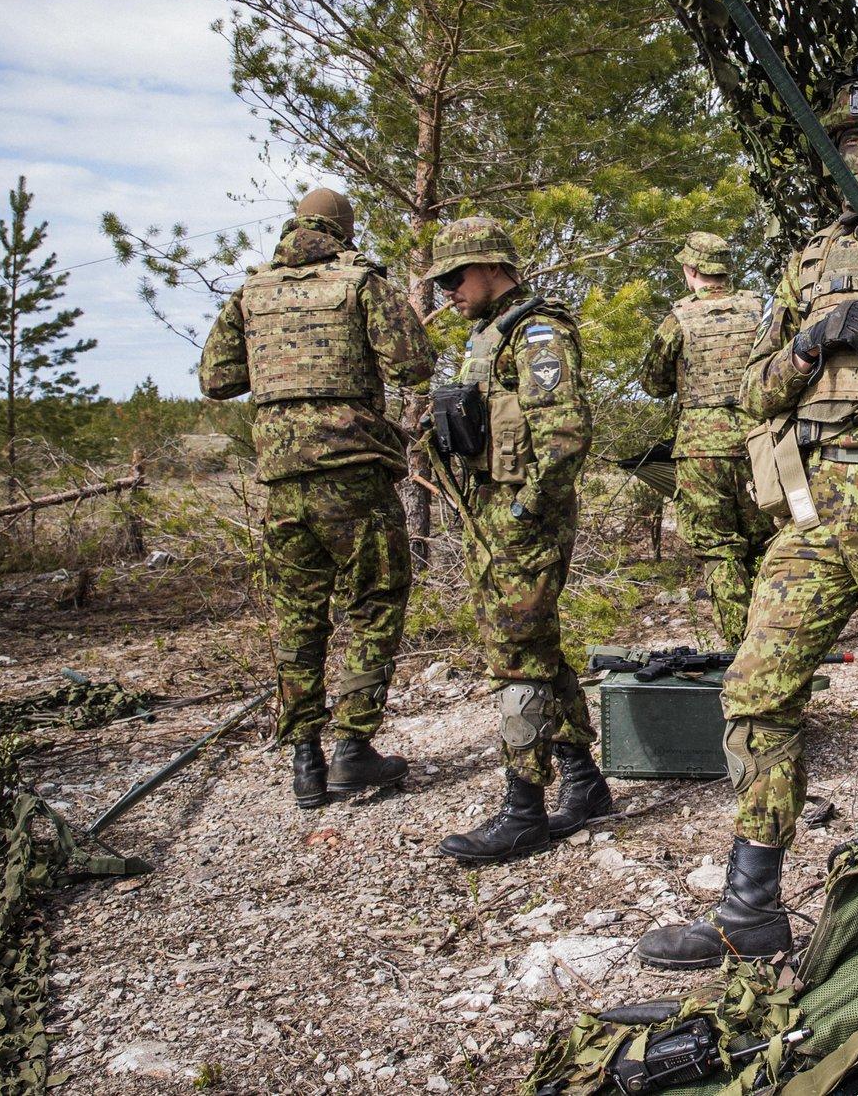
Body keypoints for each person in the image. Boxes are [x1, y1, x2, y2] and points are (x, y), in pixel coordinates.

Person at [636, 59, 858, 970]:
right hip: (815, 505)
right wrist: (806, 344)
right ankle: (750, 906)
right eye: (850, 139)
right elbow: (755, 393)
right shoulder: (806, 257)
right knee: (756, 687)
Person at [199, 187, 434, 809]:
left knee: (298, 615)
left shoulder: (251, 291)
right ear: (344, 229)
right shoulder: (361, 284)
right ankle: (353, 750)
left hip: (281, 480)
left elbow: (217, 379)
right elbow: (412, 365)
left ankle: (305, 756)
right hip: (352, 472)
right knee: (374, 601)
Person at [421, 216, 611, 863]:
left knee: (515, 658)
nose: (447, 288)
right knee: (539, 647)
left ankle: (523, 807)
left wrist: (525, 513)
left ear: (492, 267)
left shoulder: (537, 331)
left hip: (521, 523)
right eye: (442, 279)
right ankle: (584, 783)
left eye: (455, 275)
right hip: (496, 517)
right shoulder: (489, 337)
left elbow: (565, 435)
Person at [637, 231, 774, 649]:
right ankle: (775, 640)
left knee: (718, 548)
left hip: (701, 450)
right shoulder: (761, 311)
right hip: (759, 443)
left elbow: (654, 383)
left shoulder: (678, 318)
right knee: (768, 543)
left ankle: (739, 644)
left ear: (690, 271)